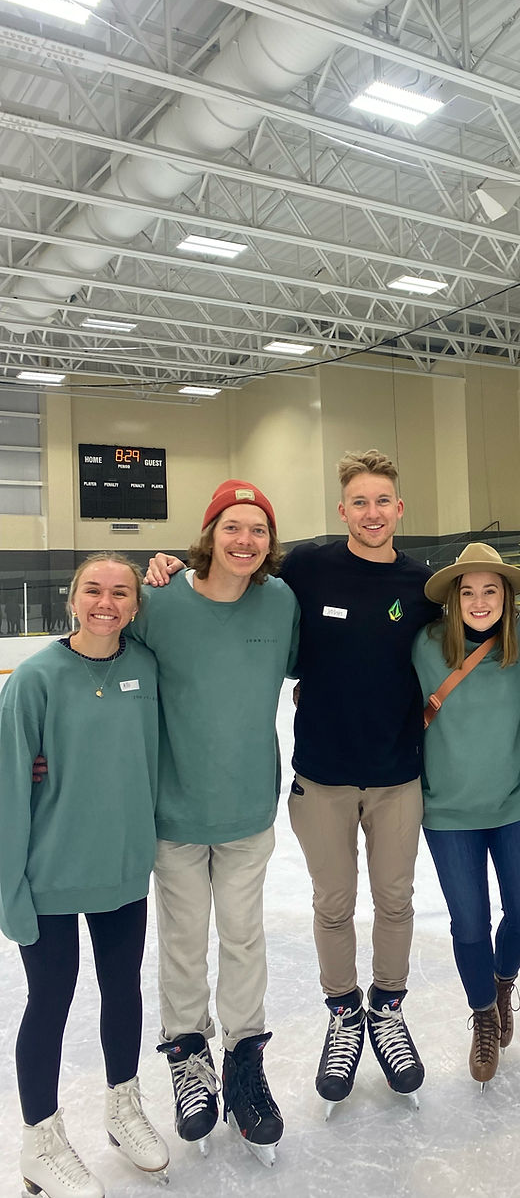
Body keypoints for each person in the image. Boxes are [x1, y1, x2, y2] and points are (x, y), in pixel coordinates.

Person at [138, 480, 299, 1167]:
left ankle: (242, 1060)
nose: (244, 540)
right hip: (174, 811)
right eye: (232, 526)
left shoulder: (281, 601)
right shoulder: (160, 601)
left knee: (242, 937)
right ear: (209, 533)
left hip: (244, 811)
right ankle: (187, 1055)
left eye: (257, 529)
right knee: (181, 941)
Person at [0, 553, 168, 1198]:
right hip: (50, 876)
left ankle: (123, 1108)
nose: (107, 602)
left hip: (122, 870)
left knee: (123, 991)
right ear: (73, 599)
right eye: (93, 590)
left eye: (121, 592)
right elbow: (11, 788)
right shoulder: (36, 679)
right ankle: (39, 1141)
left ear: (135, 604)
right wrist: (10, 889)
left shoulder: (145, 669)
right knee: (51, 1002)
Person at [283, 451, 440, 1112]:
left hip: (397, 773)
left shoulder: (422, 582)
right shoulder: (307, 566)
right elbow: (231, 585)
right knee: (334, 903)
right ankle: (345, 1013)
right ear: (342, 509)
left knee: (397, 901)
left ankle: (388, 1007)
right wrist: (172, 570)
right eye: (360, 501)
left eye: (384, 500)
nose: (372, 512)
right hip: (322, 775)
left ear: (398, 509)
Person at [413, 542, 520, 1087]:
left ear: (508, 597)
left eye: (490, 589)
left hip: (518, 802)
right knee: (469, 924)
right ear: (452, 599)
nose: (478, 600)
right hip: (447, 811)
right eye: (467, 591)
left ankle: (502, 979)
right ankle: (484, 1014)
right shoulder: (423, 645)